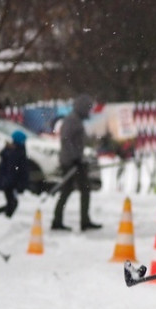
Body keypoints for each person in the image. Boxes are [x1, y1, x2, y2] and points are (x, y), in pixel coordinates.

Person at [52, 94, 101, 231]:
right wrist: (74, 159)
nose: (89, 112)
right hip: (70, 162)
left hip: (75, 161)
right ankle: (79, 221)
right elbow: (66, 141)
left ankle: (60, 219)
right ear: (82, 108)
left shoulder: (76, 120)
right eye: (88, 109)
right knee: (81, 189)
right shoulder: (72, 120)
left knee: (69, 190)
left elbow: (77, 142)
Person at [0, 130, 29, 218]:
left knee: (12, 202)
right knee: (12, 202)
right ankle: (4, 217)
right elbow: (15, 170)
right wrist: (16, 183)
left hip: (10, 182)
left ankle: (1, 215)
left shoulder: (13, 151)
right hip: (11, 183)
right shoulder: (16, 152)